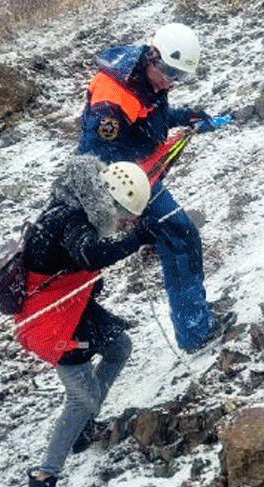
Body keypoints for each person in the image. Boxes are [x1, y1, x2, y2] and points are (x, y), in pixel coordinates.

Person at [78, 22, 234, 353]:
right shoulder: (112, 96)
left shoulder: (149, 80)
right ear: (152, 55)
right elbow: (96, 157)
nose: (170, 82)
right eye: (167, 72)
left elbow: (150, 116)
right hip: (125, 186)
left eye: (179, 77)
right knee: (180, 237)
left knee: (182, 238)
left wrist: (186, 117)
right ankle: (194, 330)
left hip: (143, 176)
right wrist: (123, 210)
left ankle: (195, 318)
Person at [16, 155, 156, 487]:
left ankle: (82, 429)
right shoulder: (72, 218)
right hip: (51, 324)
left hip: (70, 311)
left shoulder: (72, 205)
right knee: (82, 397)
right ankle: (42, 484)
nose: (122, 224)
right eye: (123, 216)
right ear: (108, 199)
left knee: (119, 347)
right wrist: (137, 238)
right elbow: (90, 253)